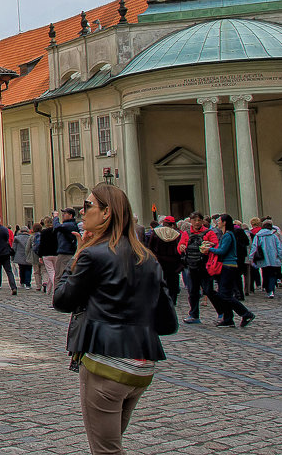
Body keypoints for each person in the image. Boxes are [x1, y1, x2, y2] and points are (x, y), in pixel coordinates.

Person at [52, 183, 174, 455]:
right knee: (111, 441)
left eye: (88, 206)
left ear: (106, 213)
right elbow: (168, 322)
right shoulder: (149, 258)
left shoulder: (93, 255)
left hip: (106, 365)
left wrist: (77, 257)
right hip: (140, 368)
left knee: (106, 449)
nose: (81, 212)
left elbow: (61, 299)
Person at [203, 214, 255, 328]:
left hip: (228, 266)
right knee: (223, 294)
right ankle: (228, 319)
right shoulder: (226, 235)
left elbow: (222, 251)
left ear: (224, 222)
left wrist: (209, 249)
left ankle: (245, 313)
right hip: (227, 266)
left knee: (224, 294)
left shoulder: (227, 235)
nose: (217, 223)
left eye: (219, 221)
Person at [177, 212, 220, 324]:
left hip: (204, 265)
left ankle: (221, 311)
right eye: (194, 220)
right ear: (190, 221)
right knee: (193, 292)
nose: (196, 223)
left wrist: (208, 246)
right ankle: (194, 315)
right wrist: (181, 248)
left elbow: (215, 244)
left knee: (209, 290)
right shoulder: (186, 233)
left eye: (199, 220)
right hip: (192, 265)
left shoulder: (209, 232)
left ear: (202, 221)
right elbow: (180, 246)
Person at [147, 216, 183, 306]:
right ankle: (172, 301)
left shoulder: (155, 233)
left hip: (159, 262)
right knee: (173, 285)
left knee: (160, 282)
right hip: (173, 264)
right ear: (173, 224)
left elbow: (150, 247)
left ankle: (160, 300)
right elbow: (180, 250)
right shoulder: (177, 234)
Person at [248, 219, 282, 299]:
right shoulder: (274, 236)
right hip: (273, 258)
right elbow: (279, 247)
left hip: (262, 258)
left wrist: (251, 257)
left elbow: (254, 247)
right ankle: (271, 290)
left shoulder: (258, 236)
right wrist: (280, 257)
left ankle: (267, 289)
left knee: (265, 273)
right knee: (272, 274)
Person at [53, 208, 80, 287]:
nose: (63, 215)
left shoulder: (69, 225)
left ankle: (58, 293)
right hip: (66, 251)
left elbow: (57, 227)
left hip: (65, 252)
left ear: (70, 215)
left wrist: (55, 217)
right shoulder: (70, 225)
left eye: (65, 214)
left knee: (59, 276)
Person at [37, 216, 59, 294]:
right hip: (56, 253)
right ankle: (48, 290)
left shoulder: (44, 232)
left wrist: (40, 255)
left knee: (51, 271)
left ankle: (56, 287)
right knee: (54, 271)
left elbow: (41, 244)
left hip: (46, 254)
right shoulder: (56, 231)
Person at [29, 223, 45, 291]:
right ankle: (45, 282)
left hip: (34, 256)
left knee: (36, 272)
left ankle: (38, 286)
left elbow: (28, 247)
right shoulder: (43, 235)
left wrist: (28, 256)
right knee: (44, 271)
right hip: (42, 255)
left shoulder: (32, 237)